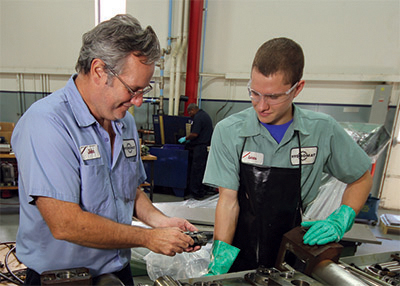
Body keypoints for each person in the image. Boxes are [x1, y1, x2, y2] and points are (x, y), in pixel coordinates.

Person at [11, 14, 200, 286]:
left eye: (144, 89)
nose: (138, 101)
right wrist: (147, 238)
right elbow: (65, 223)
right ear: (100, 71)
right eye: (132, 89)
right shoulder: (47, 124)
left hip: (116, 272)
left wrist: (160, 222)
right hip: (65, 279)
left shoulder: (124, 123)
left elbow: (129, 191)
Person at [203, 37, 373, 275]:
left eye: (273, 96)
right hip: (238, 252)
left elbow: (361, 177)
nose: (261, 106)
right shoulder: (229, 131)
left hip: (294, 253)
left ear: (297, 89)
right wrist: (219, 260)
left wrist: (341, 218)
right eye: (255, 93)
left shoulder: (322, 130)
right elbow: (228, 202)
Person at [178, 103, 213, 199]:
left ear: (192, 110)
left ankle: (196, 193)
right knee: (201, 171)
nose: (190, 114)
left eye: (189, 112)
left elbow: (195, 134)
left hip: (200, 148)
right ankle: (201, 190)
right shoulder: (204, 115)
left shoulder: (198, 117)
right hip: (204, 147)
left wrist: (186, 138)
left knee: (196, 171)